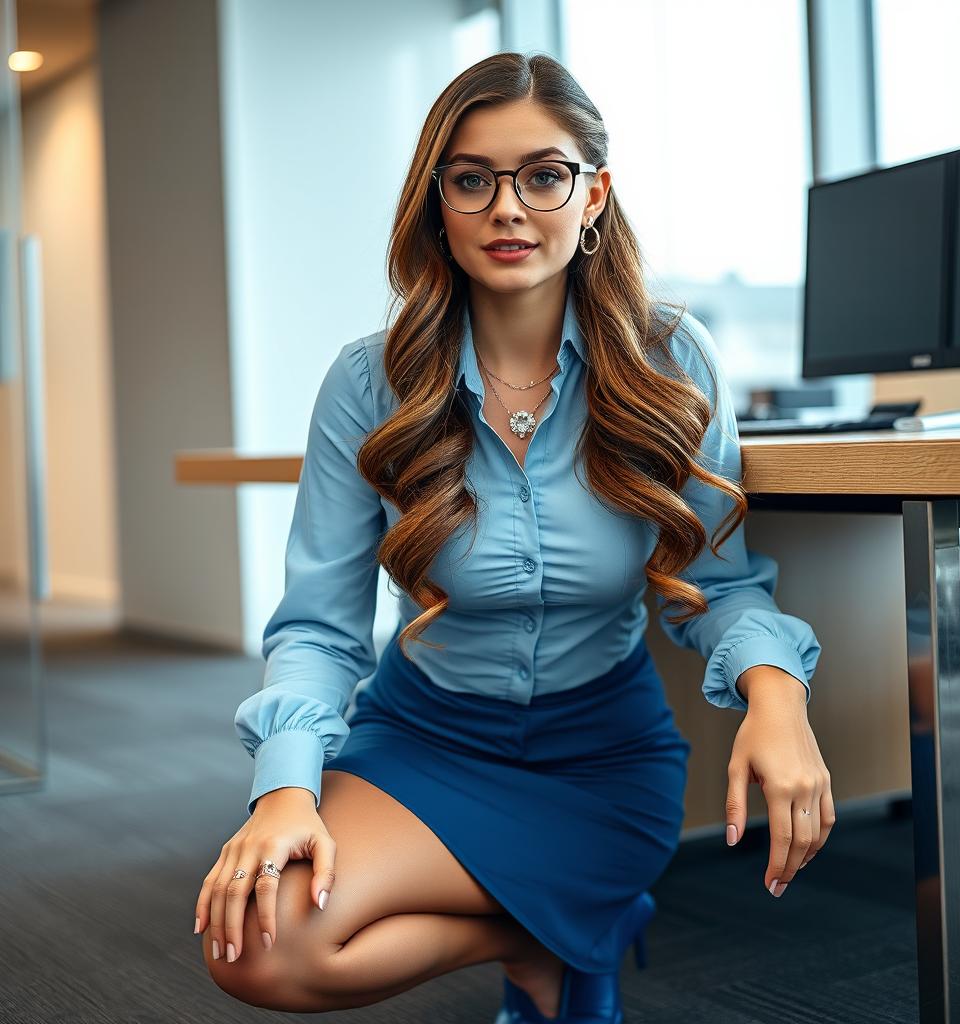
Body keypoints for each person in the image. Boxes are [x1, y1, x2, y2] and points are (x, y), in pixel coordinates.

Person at [195, 51, 833, 1022]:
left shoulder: (670, 360)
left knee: (276, 932)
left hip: (601, 760)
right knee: (255, 945)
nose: (507, 207)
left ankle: (569, 923)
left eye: (543, 174)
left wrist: (777, 698)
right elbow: (320, 628)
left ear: (593, 197)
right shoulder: (368, 383)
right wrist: (283, 787)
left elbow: (721, 587)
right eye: (472, 178)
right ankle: (554, 936)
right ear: (436, 203)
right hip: (425, 736)